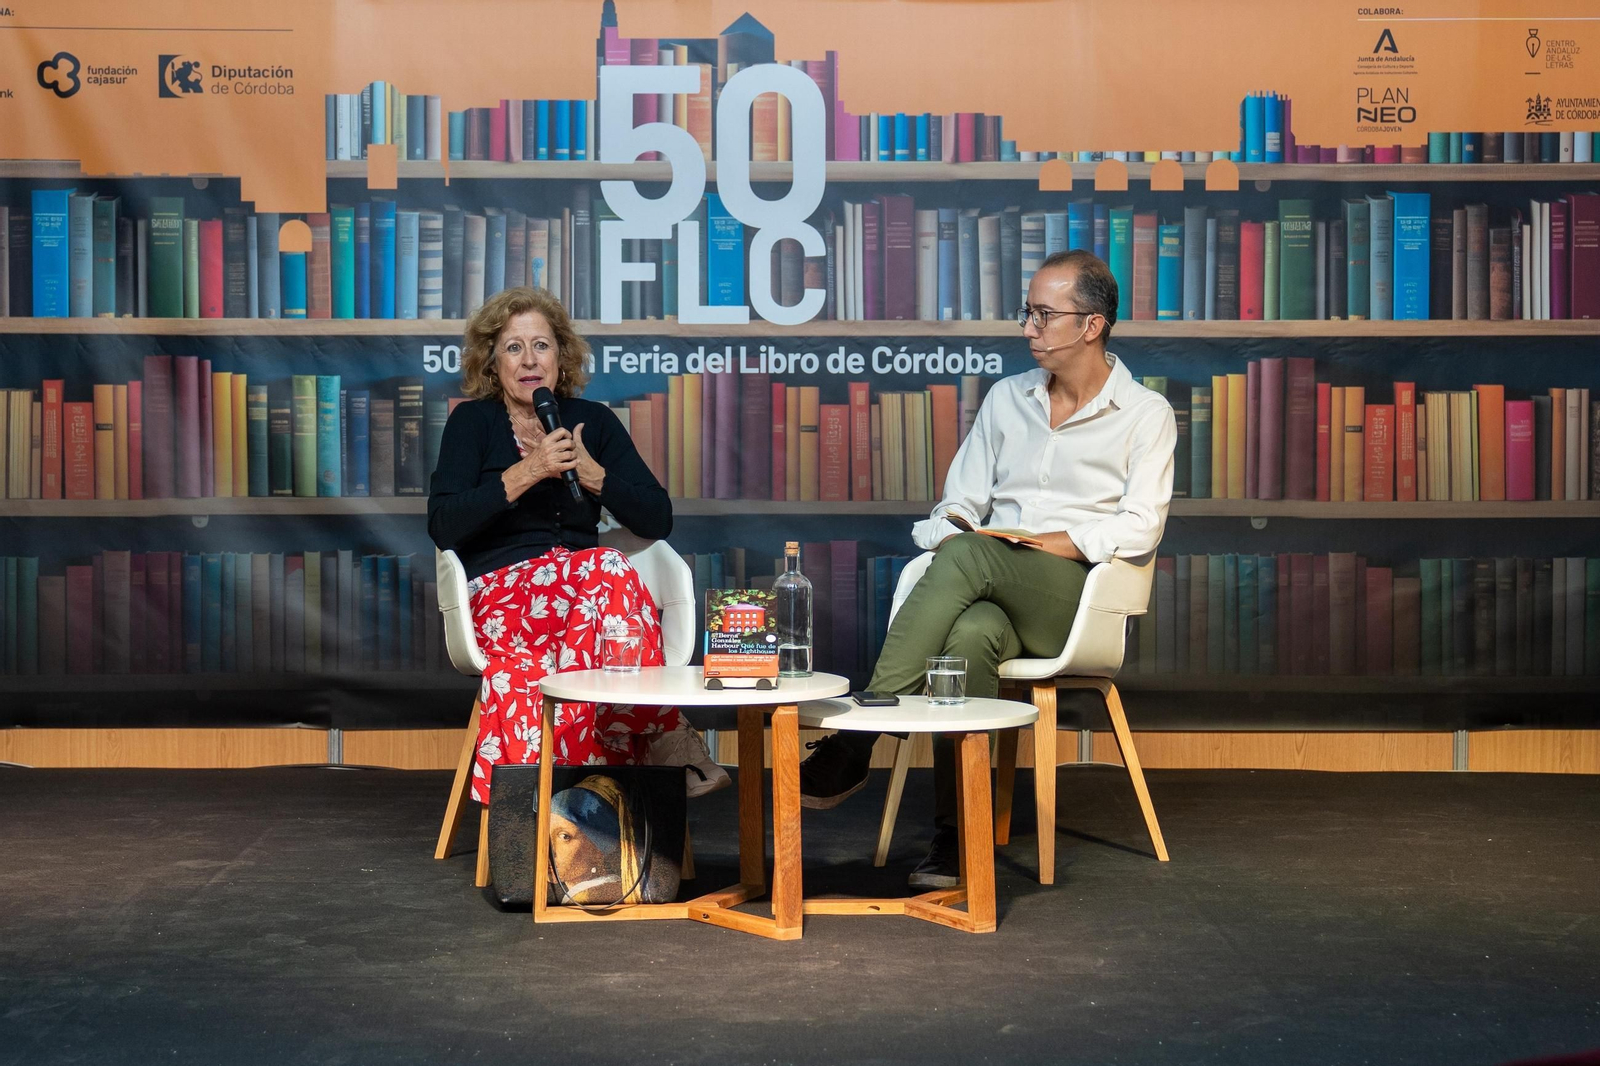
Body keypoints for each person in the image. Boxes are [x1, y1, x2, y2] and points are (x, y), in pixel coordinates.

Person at [798, 250, 1176, 888]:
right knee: (969, 634)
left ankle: (864, 729)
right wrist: (963, 534)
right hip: (989, 584)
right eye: (1026, 312)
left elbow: (1140, 527)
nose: (1027, 328)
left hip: (1075, 603)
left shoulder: (1146, 415)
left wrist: (1044, 541)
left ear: (1092, 325)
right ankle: (957, 838)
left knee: (973, 555)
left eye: (1043, 315)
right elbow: (957, 504)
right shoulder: (1008, 400)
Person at [428, 286, 728, 804]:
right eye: (514, 347)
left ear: (560, 357)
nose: (529, 361)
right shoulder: (470, 423)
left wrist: (596, 477)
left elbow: (658, 517)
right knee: (608, 567)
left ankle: (571, 807)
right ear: (491, 360)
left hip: (589, 607)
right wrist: (529, 471)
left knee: (552, 639)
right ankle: (668, 742)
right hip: (502, 599)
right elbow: (443, 525)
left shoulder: (594, 420)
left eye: (541, 346)